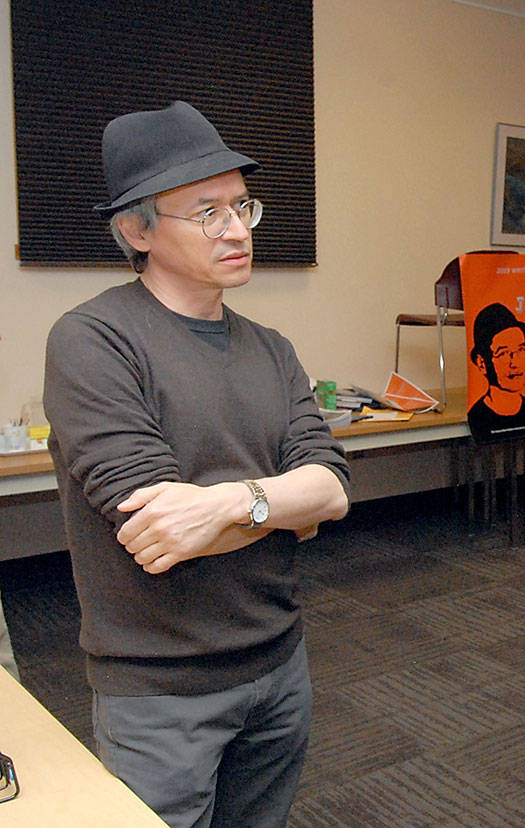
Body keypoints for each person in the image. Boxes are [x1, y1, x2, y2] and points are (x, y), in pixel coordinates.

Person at [43, 101, 350, 828]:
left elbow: (333, 487)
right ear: (136, 230)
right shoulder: (93, 340)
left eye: (242, 204)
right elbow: (155, 529)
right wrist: (282, 509)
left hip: (280, 666)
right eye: (207, 211)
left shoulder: (270, 346)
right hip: (159, 694)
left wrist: (223, 506)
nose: (238, 228)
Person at [467, 301, 525, 442]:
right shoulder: (478, 416)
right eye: (503, 354)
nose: (515, 363)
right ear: (482, 363)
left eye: (520, 350)